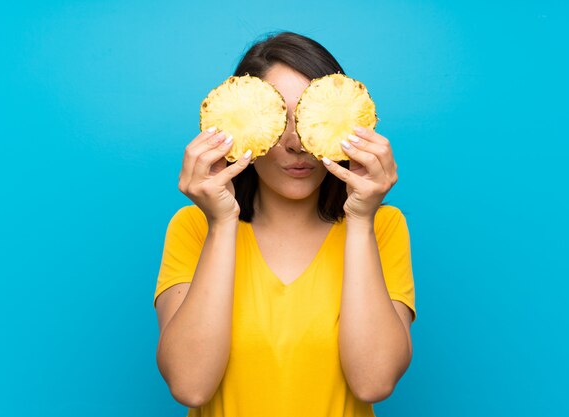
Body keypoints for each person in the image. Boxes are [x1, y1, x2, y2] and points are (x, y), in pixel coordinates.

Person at [153, 31, 417, 417]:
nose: (297, 143)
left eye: (311, 119)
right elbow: (190, 386)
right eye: (279, 120)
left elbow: (373, 382)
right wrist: (222, 224)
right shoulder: (193, 226)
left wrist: (360, 218)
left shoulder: (382, 226)